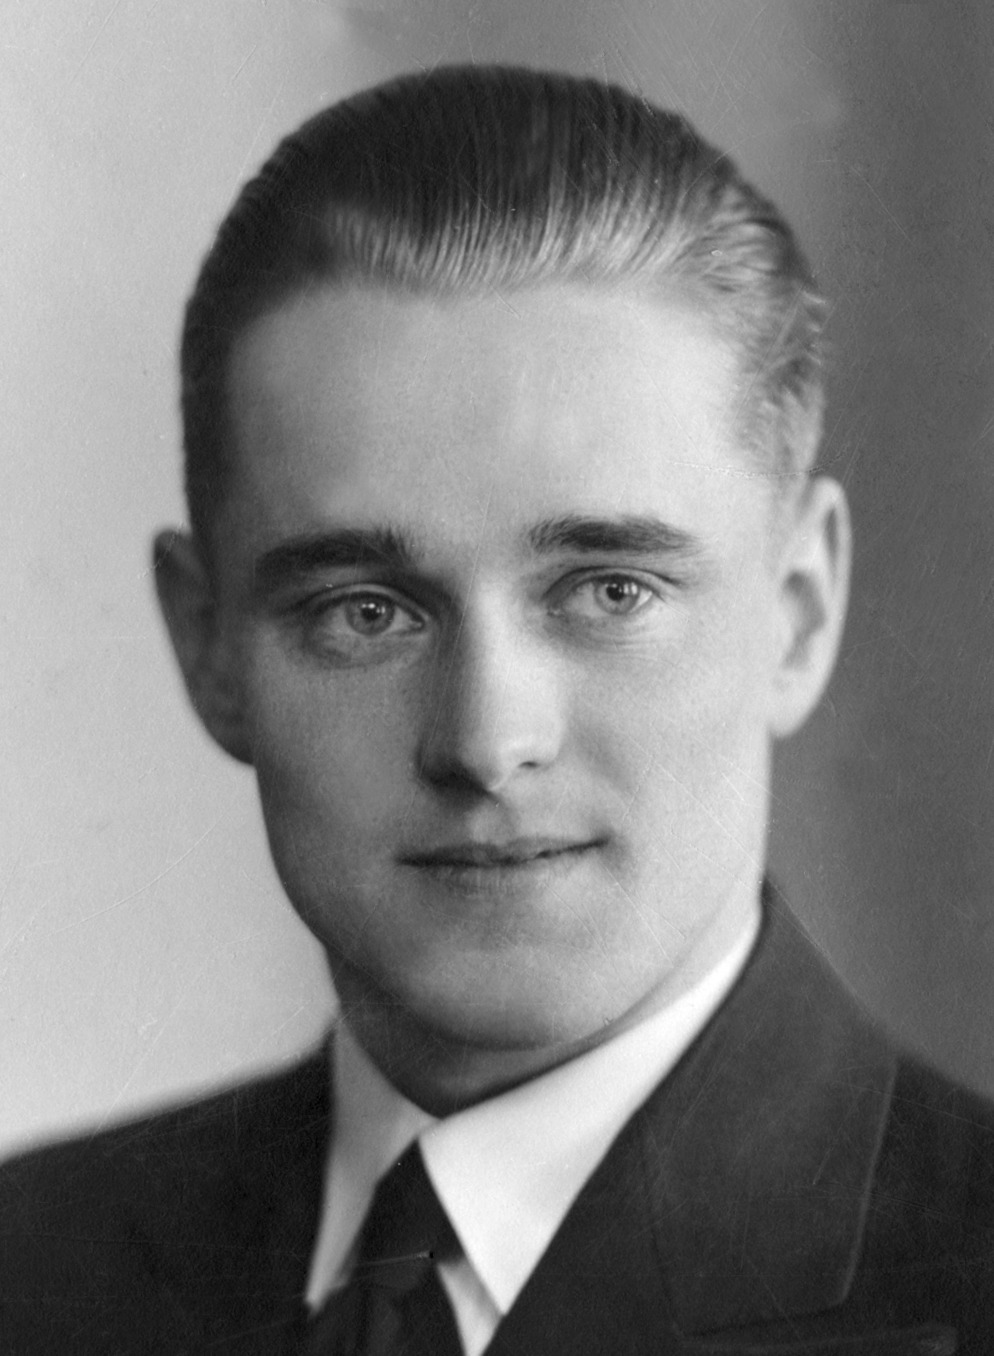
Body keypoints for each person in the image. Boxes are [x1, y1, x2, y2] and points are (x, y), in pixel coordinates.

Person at [1, 63, 991, 1356]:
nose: (484, 743)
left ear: (797, 613)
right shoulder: (32, 1265)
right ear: (208, 649)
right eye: (366, 612)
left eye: (609, 591)